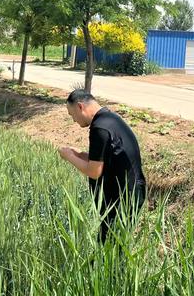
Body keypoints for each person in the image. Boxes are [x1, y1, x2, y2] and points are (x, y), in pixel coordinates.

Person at [59, 89, 146, 242]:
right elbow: (105, 160)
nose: (73, 120)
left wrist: (69, 157)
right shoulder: (109, 119)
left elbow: (94, 171)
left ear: (80, 107)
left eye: (72, 114)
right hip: (129, 194)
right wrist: (80, 155)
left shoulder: (100, 128)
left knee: (109, 250)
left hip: (122, 200)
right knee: (112, 248)